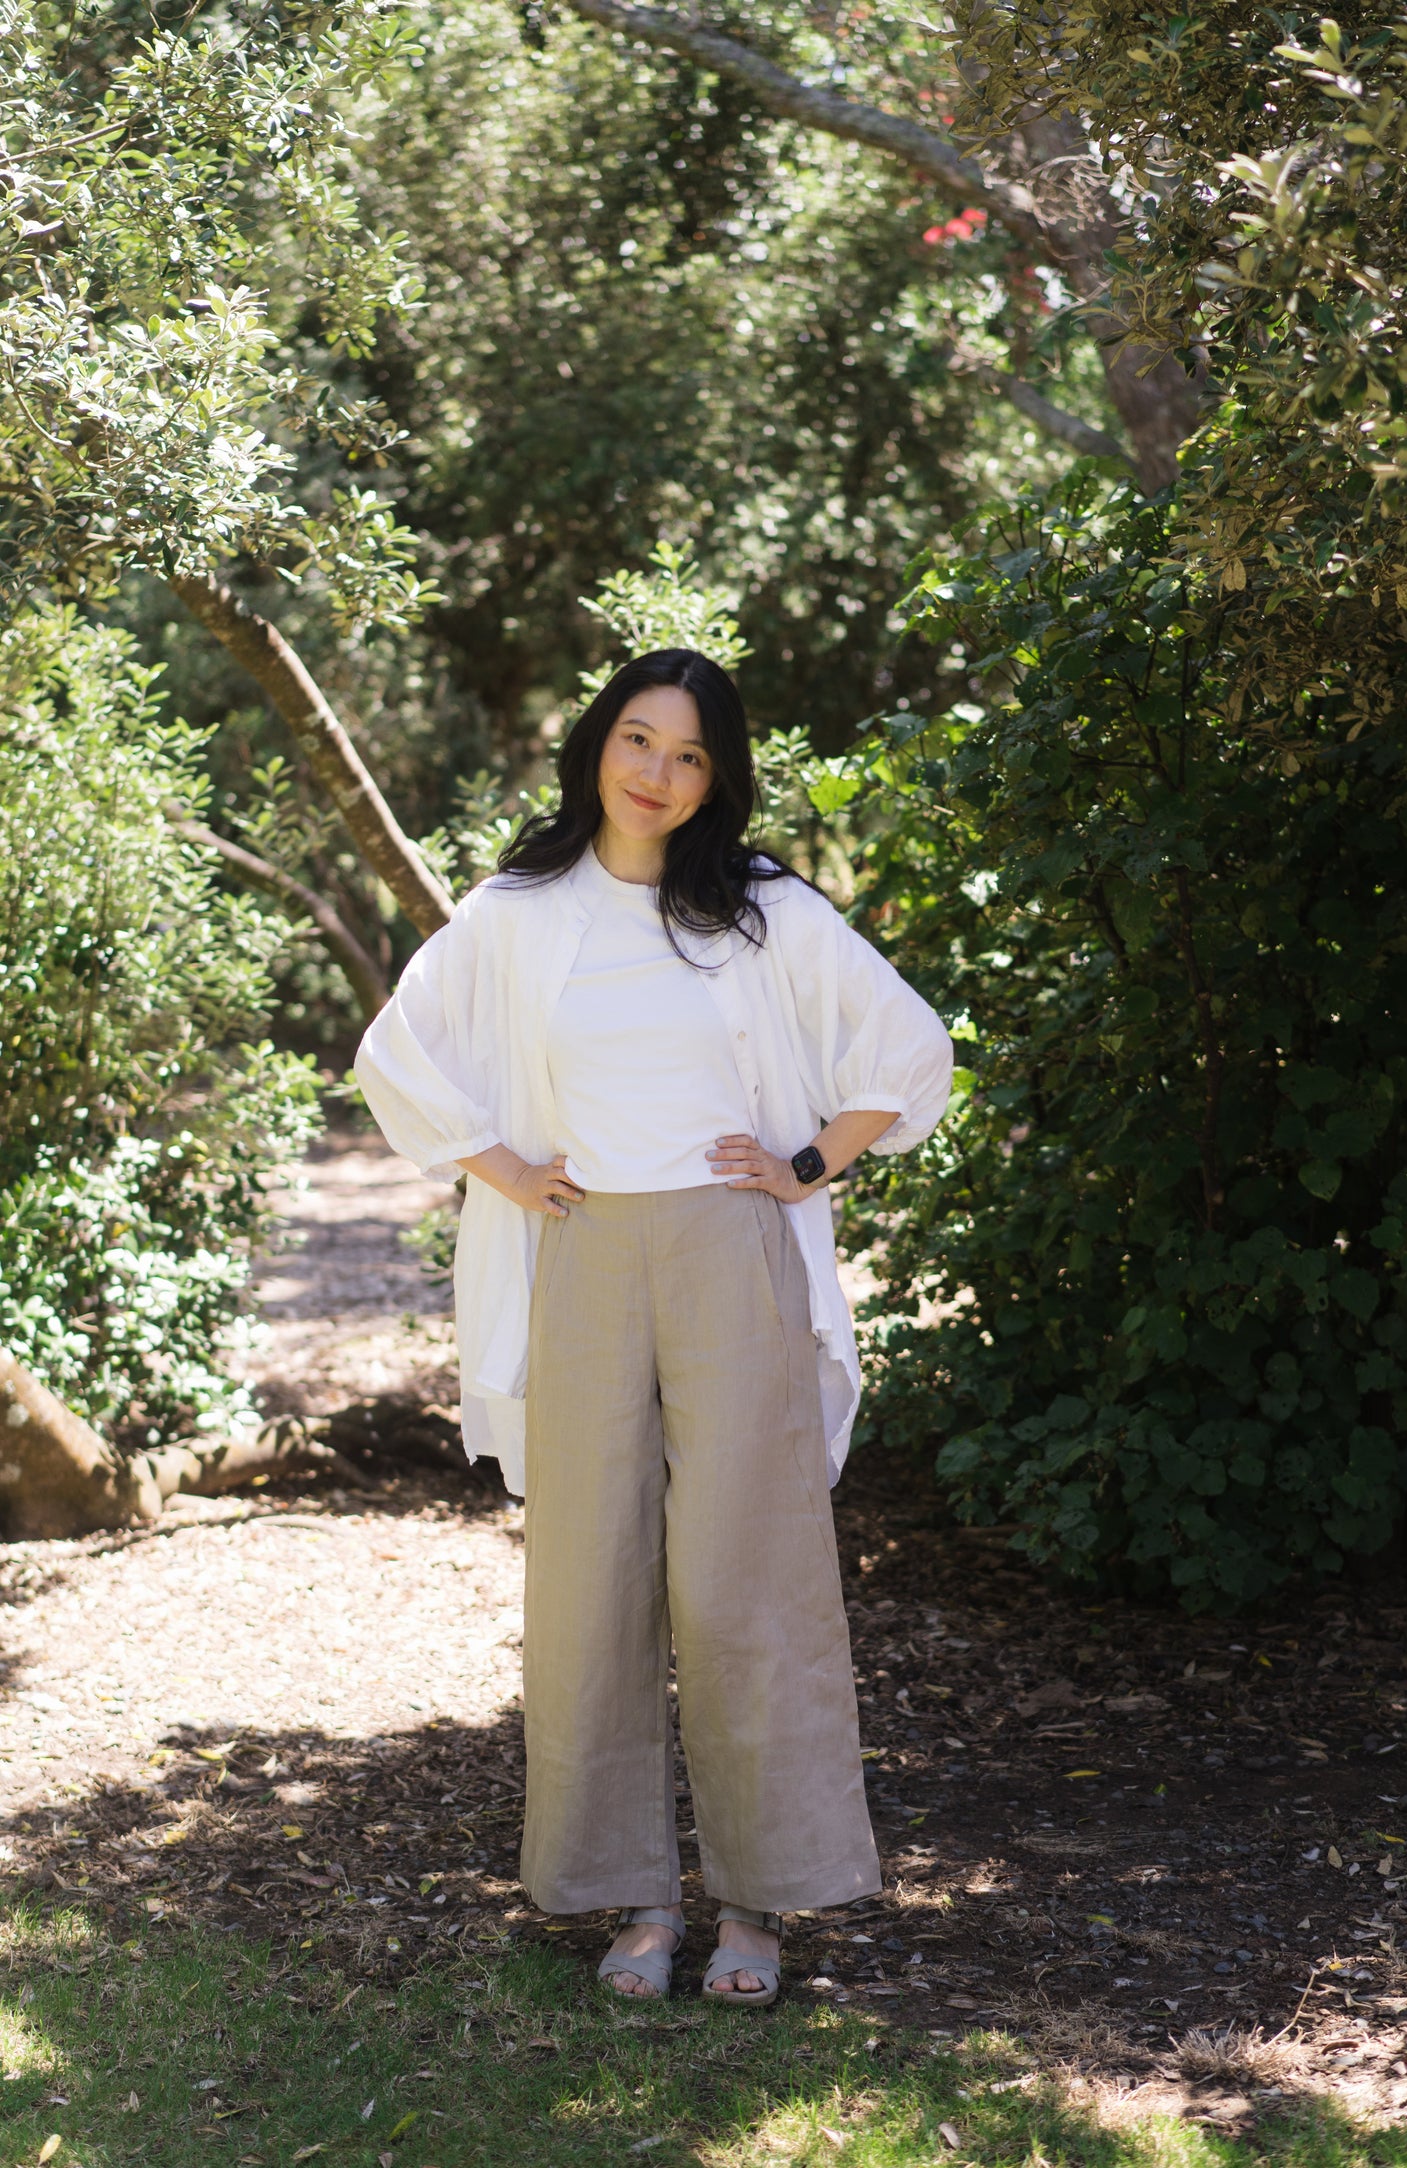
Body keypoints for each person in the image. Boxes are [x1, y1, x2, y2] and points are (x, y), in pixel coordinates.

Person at [356, 648, 953, 2004]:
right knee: (589, 1580)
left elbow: (910, 1047)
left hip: (728, 1248)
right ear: (595, 745)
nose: (657, 776)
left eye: (688, 756)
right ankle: (627, 1892)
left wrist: (804, 1167)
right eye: (637, 741)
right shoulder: (518, 912)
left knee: (746, 1578)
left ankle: (755, 1903)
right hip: (580, 1252)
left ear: (717, 778)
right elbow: (399, 1049)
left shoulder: (758, 909)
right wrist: (498, 1164)